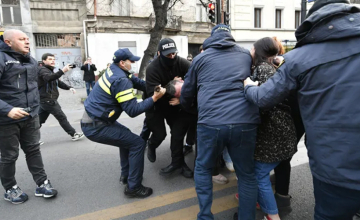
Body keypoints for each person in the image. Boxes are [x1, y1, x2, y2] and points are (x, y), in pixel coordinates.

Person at [244, 1, 360, 219]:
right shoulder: (290, 61)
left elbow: (263, 98)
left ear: (312, 21)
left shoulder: (299, 59)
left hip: (334, 168)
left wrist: (248, 87)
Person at [180, 24, 260, 220]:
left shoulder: (199, 59)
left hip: (211, 122)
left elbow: (186, 94)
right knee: (247, 174)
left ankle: (205, 216)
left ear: (212, 38)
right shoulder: (245, 55)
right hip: (245, 122)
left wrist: (194, 110)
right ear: (230, 37)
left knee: (203, 168)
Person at [81, 48, 166, 198]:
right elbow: (133, 110)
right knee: (137, 143)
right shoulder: (121, 80)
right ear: (122, 63)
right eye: (131, 61)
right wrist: (154, 98)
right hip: (97, 126)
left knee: (126, 139)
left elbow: (137, 82)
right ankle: (133, 187)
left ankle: (127, 176)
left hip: (95, 120)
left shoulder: (115, 70)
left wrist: (153, 87)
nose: (133, 63)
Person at [0, 29, 57, 204]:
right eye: (22, 39)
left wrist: (35, 107)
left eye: (27, 39)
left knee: (33, 150)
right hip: (7, 120)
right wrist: (7, 109)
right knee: (9, 156)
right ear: (8, 42)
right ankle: (10, 188)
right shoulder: (2, 59)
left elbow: (34, 87)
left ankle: (42, 183)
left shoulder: (31, 60)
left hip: (30, 115)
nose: (27, 42)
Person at [250, 37, 297, 220]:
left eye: (253, 49)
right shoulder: (274, 67)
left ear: (259, 51)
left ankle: (272, 215)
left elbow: (263, 103)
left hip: (273, 131)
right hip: (283, 128)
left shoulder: (262, 69)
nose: (251, 52)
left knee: (259, 174)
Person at [145, 38, 194, 178]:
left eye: (174, 53)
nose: (172, 57)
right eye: (168, 55)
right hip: (156, 106)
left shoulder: (183, 63)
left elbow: (194, 83)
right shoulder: (152, 68)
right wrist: (173, 85)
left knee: (177, 134)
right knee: (160, 134)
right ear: (159, 53)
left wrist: (181, 98)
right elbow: (153, 94)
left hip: (174, 104)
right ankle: (152, 145)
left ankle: (178, 163)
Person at [38, 53, 84, 142]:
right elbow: (49, 78)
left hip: (45, 100)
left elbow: (58, 82)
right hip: (48, 100)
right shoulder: (42, 70)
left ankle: (31, 139)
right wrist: (63, 71)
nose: (53, 61)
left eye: (54, 59)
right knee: (61, 117)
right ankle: (73, 134)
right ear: (44, 61)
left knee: (39, 121)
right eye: (50, 59)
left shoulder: (49, 70)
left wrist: (69, 87)